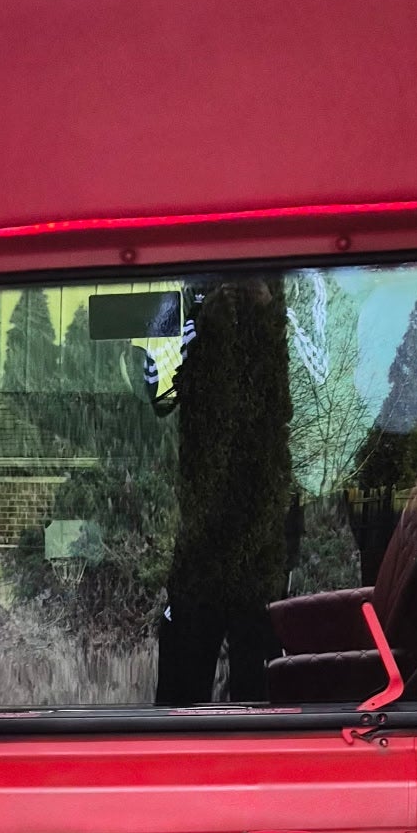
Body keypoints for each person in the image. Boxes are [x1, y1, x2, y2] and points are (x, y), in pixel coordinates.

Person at [146, 276, 296, 704]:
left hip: (262, 526)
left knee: (262, 681)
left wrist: (268, 312)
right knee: (183, 675)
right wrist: (200, 321)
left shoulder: (285, 292)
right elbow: (159, 392)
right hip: (201, 525)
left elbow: (298, 392)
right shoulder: (179, 294)